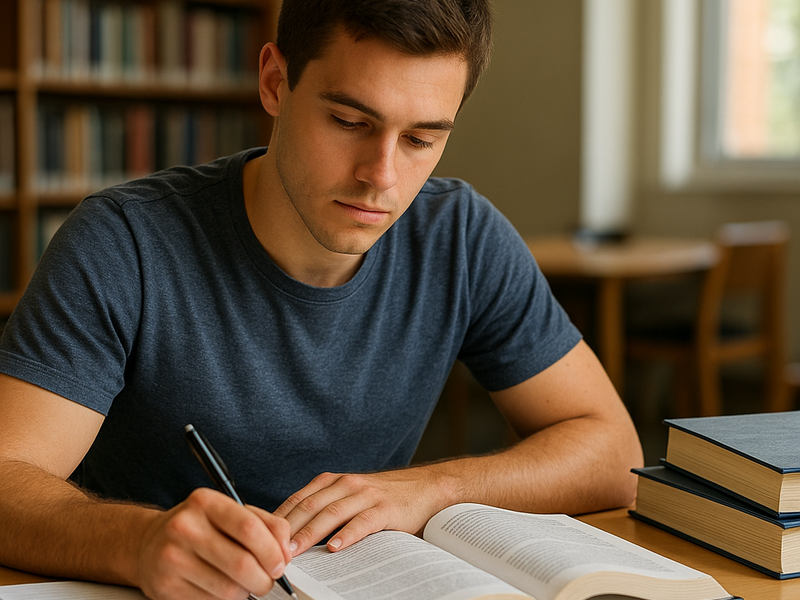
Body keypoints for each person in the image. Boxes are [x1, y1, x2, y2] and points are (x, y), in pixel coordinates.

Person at [0, 0, 644, 599]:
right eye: (349, 122)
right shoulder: (123, 242)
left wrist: (432, 489)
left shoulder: (461, 237)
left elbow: (614, 454)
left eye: (421, 139)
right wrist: (140, 543)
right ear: (275, 83)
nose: (381, 176)